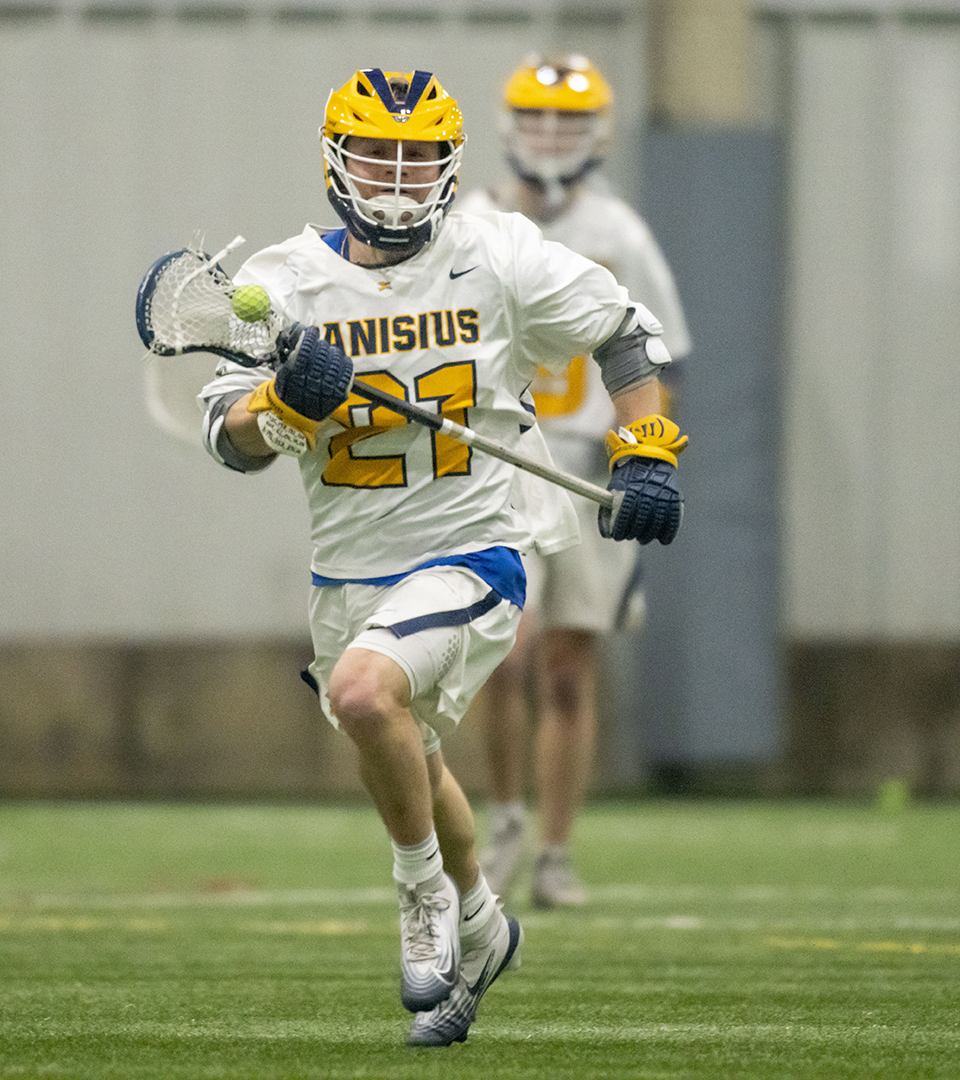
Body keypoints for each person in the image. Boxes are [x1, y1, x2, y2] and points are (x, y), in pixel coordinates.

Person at [193, 68, 687, 1046]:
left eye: (418, 157)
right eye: (377, 153)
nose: (396, 176)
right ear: (335, 159)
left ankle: (422, 897)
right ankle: (484, 922)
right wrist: (284, 408)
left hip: (474, 549)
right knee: (406, 748)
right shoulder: (286, 285)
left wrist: (648, 450)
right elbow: (227, 441)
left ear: (452, 165)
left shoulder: (496, 252)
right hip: (350, 572)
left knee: (364, 694)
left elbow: (627, 335)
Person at [456, 55, 694, 910]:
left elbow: (662, 355)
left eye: (568, 121)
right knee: (504, 653)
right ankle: (506, 820)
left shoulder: (618, 231)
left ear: (598, 132)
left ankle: (555, 852)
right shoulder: (470, 223)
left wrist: (647, 455)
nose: (551, 136)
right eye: (536, 117)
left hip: (587, 466)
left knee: (566, 669)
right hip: (498, 467)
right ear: (506, 123)